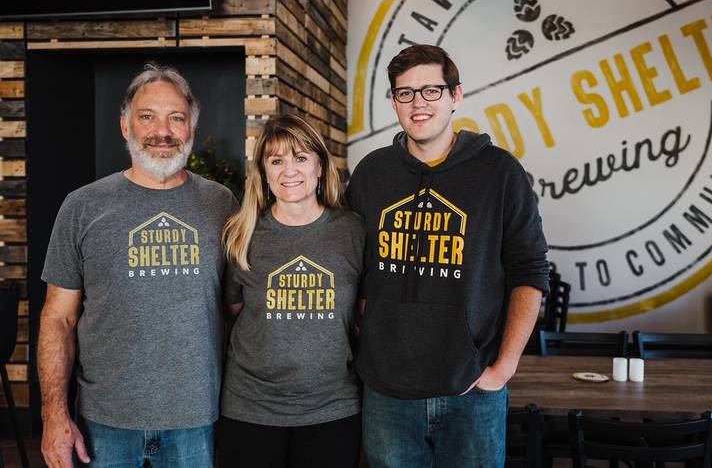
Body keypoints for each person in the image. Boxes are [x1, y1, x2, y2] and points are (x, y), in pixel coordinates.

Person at [347, 44, 550, 467]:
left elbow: (530, 272)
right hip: (387, 394)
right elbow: (353, 268)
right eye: (405, 93)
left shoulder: (499, 173)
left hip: (473, 391)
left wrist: (504, 368)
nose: (418, 103)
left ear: (456, 96)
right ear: (393, 102)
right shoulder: (372, 173)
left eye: (431, 90)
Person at [38, 63, 239, 467]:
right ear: (125, 126)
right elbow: (58, 318)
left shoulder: (222, 205)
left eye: (176, 118)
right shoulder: (82, 207)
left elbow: (237, 310)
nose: (161, 131)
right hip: (105, 422)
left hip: (196, 422)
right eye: (147, 116)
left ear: (191, 130)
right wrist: (53, 415)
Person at [218, 113, 364, 468]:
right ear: (264, 172)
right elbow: (233, 312)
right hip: (250, 409)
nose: (289, 170)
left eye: (300, 158)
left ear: (319, 166)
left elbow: (364, 311)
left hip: (333, 409)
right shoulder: (242, 233)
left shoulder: (353, 231)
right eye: (276, 160)